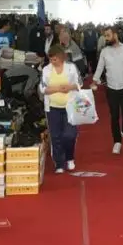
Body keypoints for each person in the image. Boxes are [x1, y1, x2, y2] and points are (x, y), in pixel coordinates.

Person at [93, 27, 123, 154]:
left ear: (115, 35)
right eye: (105, 36)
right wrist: (94, 80)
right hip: (111, 89)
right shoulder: (104, 52)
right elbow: (99, 68)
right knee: (114, 116)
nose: (106, 38)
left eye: (108, 35)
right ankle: (117, 141)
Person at [39, 45, 81, 174]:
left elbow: (79, 83)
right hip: (52, 108)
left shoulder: (71, 68)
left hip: (69, 106)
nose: (52, 62)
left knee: (70, 134)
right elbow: (42, 88)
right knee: (56, 136)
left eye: (55, 59)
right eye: (51, 59)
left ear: (61, 57)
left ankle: (70, 157)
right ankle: (59, 163)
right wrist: (57, 89)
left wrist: (70, 87)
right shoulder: (46, 70)